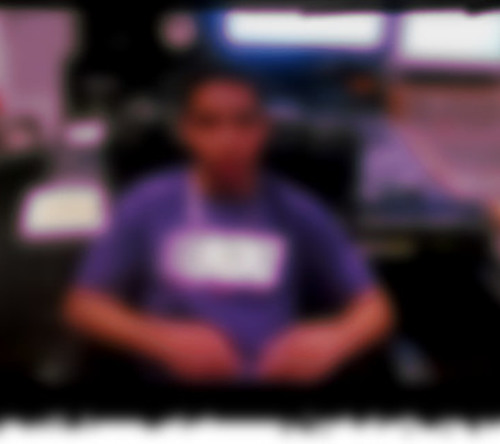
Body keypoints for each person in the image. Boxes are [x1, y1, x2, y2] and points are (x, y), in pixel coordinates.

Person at [63, 68, 394, 385]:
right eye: (208, 123)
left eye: (243, 122)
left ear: (264, 130)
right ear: (185, 131)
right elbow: (83, 306)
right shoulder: (148, 203)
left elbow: (376, 309)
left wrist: (332, 340)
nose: (228, 139)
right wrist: (161, 340)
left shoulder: (296, 209)